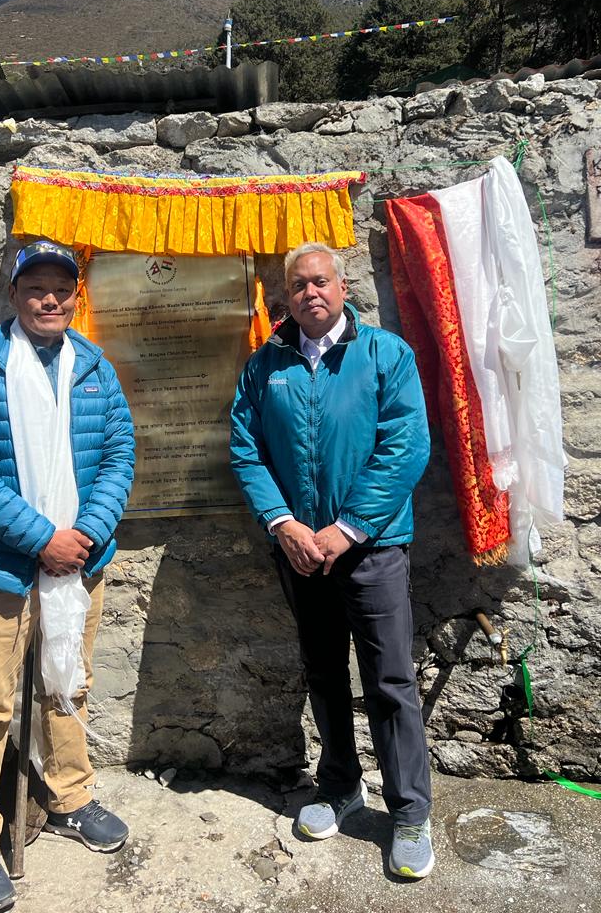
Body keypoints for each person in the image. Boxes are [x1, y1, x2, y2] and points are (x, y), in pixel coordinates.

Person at [0, 240, 135, 912]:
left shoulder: (95, 370)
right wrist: (42, 540)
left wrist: (83, 536)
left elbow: (119, 455)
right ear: (15, 297)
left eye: (61, 289)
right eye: (36, 289)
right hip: (0, 569)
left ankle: (72, 794)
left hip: (78, 561)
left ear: (75, 297)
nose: (49, 300)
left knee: (67, 684)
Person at [229, 242, 434, 879]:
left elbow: (407, 445)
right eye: (299, 285)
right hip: (299, 551)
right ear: (286, 296)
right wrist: (283, 522)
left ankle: (408, 812)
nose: (311, 293)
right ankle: (340, 786)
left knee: (391, 680)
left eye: (321, 281)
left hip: (371, 550)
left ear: (342, 288)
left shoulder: (384, 356)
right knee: (322, 670)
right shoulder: (266, 366)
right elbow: (245, 448)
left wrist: (346, 529)